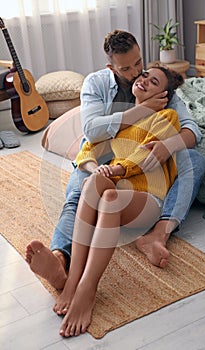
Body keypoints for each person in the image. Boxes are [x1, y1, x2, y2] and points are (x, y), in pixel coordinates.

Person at [25, 29, 205, 291]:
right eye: (127, 68)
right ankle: (59, 259)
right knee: (78, 192)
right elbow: (92, 131)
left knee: (195, 159)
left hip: (141, 165)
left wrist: (168, 145)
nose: (136, 73)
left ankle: (158, 234)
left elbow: (192, 129)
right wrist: (140, 110)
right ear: (111, 66)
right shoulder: (97, 83)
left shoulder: (160, 88)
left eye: (139, 64)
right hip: (106, 156)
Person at [54, 66, 183, 337]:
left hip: (148, 198)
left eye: (154, 81)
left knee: (110, 196)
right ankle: (72, 280)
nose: (144, 80)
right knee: (100, 188)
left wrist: (117, 168)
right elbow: (87, 149)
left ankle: (87, 288)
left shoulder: (166, 116)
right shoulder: (119, 119)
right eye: (144, 75)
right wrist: (96, 169)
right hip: (116, 190)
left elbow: (144, 155)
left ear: (163, 95)